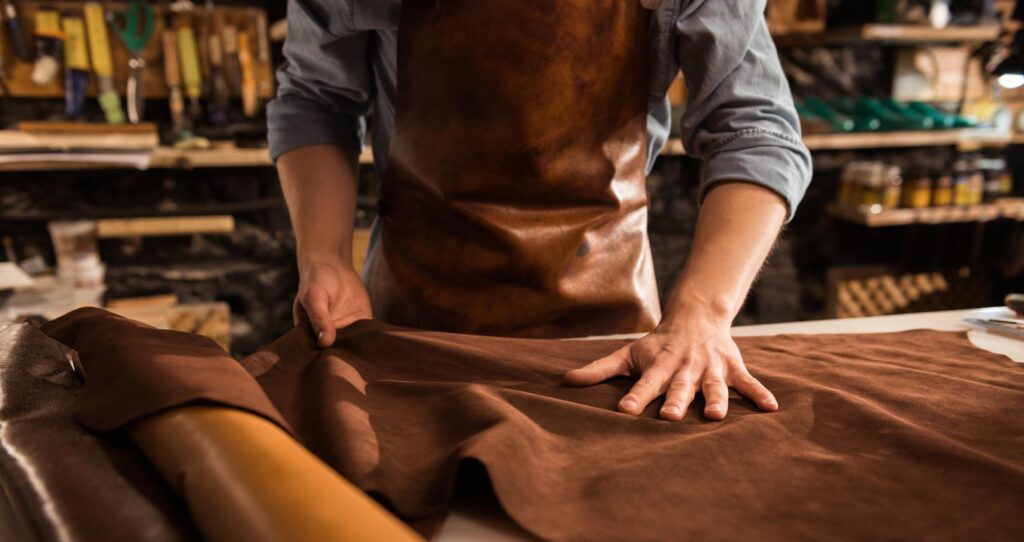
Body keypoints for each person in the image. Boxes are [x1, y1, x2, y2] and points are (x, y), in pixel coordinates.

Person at [268, 0, 812, 422]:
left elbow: (755, 132)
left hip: (610, 350)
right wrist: (326, 257)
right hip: (410, 330)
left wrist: (703, 314)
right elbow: (316, 100)